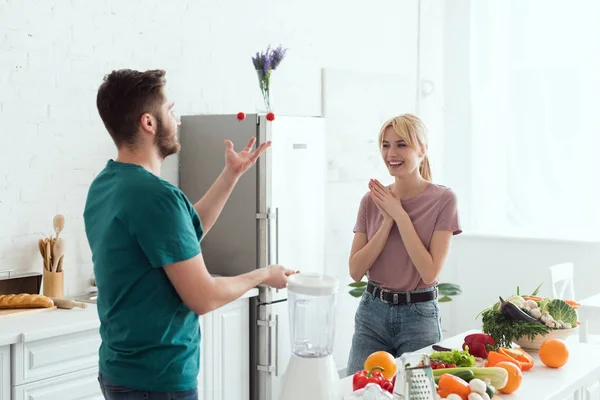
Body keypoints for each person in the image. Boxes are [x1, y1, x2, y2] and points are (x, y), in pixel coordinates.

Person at [83, 69, 296, 400]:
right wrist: (263, 274)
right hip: (158, 379)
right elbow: (204, 296)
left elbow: (178, 234)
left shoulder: (106, 185)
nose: (177, 119)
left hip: (118, 371)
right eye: (169, 110)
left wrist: (231, 175)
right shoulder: (156, 196)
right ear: (149, 123)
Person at [346, 113, 462, 375]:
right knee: (360, 393)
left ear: (422, 150)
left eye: (401, 144)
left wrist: (399, 215)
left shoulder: (444, 199)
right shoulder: (371, 200)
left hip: (419, 318)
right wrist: (387, 222)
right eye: (385, 145)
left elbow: (430, 272)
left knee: (416, 393)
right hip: (371, 315)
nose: (391, 153)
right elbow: (355, 271)